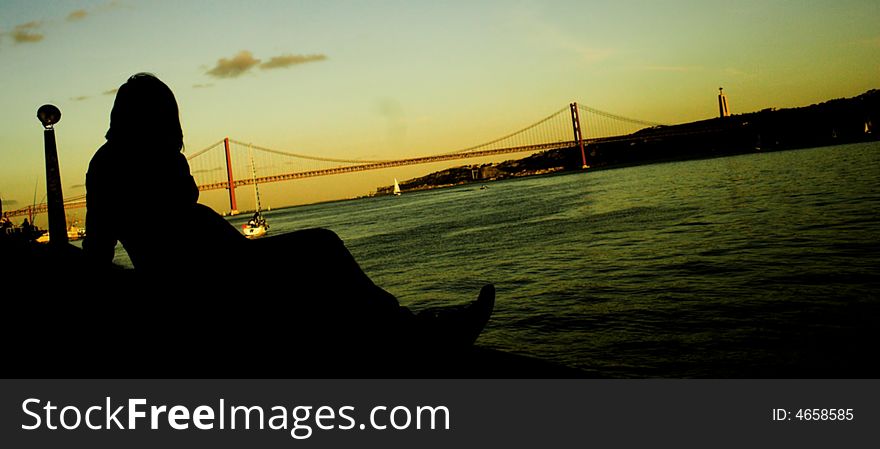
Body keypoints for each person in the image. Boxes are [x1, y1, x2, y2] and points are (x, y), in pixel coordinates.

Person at [82, 73, 493, 373]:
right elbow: (104, 248)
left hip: (216, 266)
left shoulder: (112, 162)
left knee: (318, 256)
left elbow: (99, 247)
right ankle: (417, 335)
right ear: (159, 116)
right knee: (322, 247)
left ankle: (410, 333)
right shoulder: (132, 161)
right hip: (213, 275)